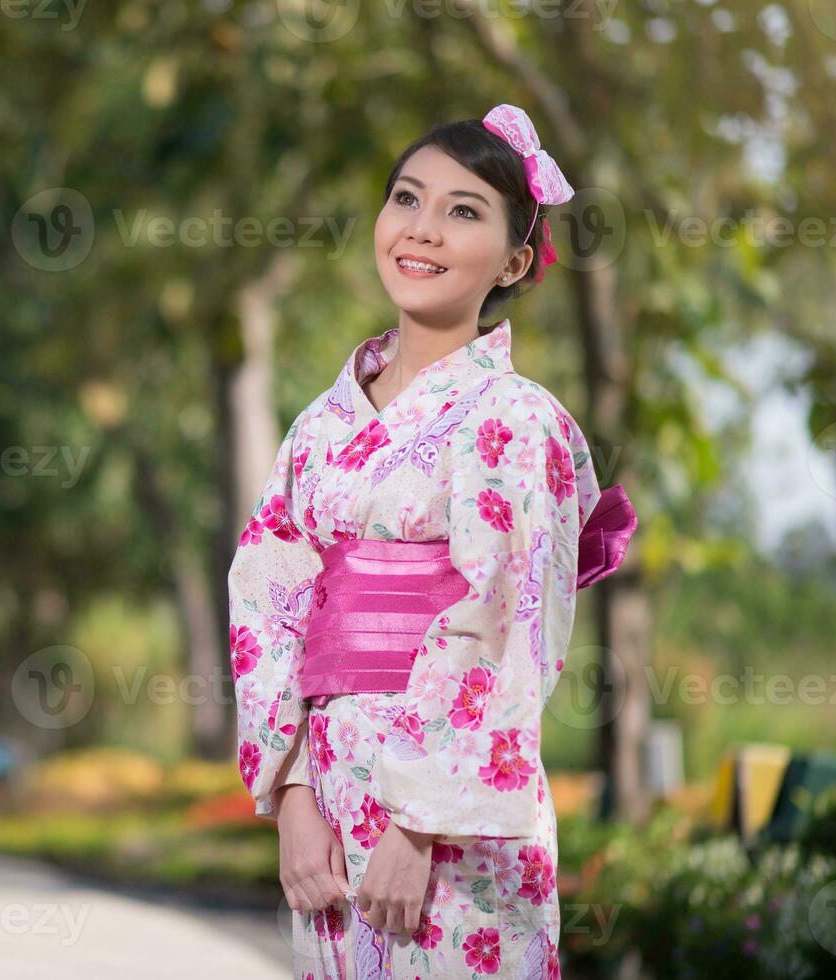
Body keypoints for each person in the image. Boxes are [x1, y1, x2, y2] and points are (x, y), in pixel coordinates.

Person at [227, 104, 636, 978]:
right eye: (407, 198)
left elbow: (506, 624)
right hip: (331, 797)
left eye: (463, 210)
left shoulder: (515, 421)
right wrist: (294, 794)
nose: (423, 229)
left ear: (516, 260)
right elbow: (268, 590)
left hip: (455, 818)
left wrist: (420, 824)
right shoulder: (320, 426)